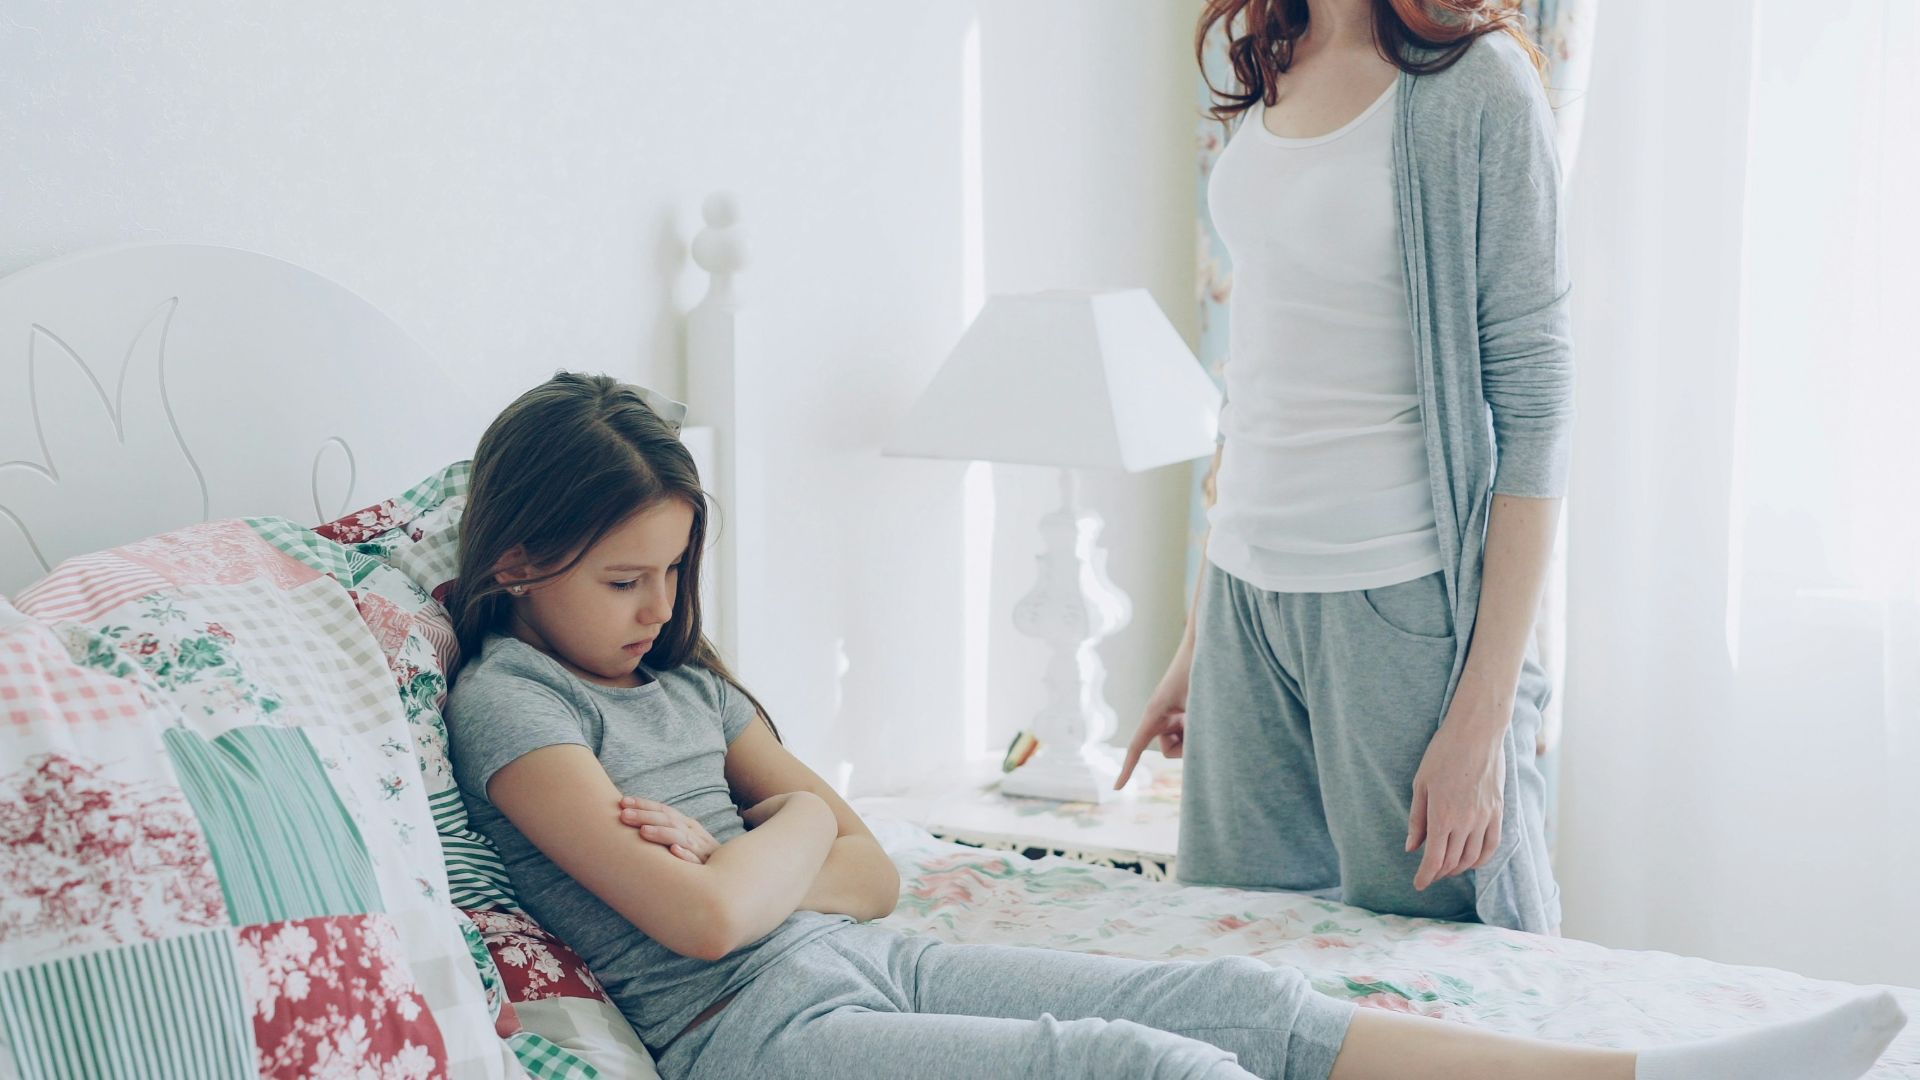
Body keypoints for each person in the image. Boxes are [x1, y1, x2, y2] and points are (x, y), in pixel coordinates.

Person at [440, 373, 1904, 1080]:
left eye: (675, 571)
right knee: (1153, 1072)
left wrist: (783, 838)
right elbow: (700, 928)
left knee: (1238, 1013)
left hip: (866, 949)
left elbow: (871, 873)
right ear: (518, 562)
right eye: (624, 578)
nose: (658, 605)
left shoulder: (688, 689)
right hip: (755, 1033)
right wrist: (787, 829)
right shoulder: (514, 702)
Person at [1119, 0, 1579, 934]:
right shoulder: (1271, 55)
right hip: (1246, 600)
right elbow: (1262, 377)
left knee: (1443, 976)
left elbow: (1536, 404)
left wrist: (1482, 718)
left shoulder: (1477, 82)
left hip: (1396, 602)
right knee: (1235, 963)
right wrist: (1198, 640)